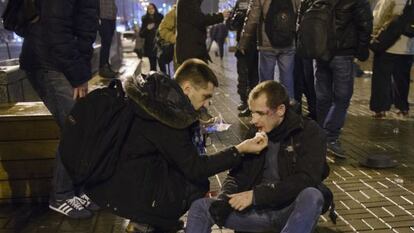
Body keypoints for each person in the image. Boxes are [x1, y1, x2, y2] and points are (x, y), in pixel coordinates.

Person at [86, 59, 269, 232]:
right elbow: (195, 167)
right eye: (206, 96)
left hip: (118, 175)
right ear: (187, 88)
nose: (208, 103)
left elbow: (167, 145)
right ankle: (146, 222)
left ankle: (149, 219)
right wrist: (239, 149)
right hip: (123, 188)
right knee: (195, 185)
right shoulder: (169, 116)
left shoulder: (157, 97)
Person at [186, 80, 328, 233]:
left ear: (280, 110)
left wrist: (256, 196)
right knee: (201, 207)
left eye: (260, 113)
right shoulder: (256, 132)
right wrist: (224, 200)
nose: (253, 120)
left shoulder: (308, 132)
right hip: (256, 212)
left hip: (288, 211)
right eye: (252, 112)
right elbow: (237, 175)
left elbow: (306, 179)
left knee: (312, 195)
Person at [19, 0, 99, 218]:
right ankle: (61, 195)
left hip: (58, 60)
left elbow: (83, 26)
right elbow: (56, 29)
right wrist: (78, 75)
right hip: (48, 62)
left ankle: (76, 190)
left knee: (80, 125)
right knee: (75, 126)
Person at [310, 0, 372, 158]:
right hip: (342, 52)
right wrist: (362, 51)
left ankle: (321, 137)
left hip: (321, 51)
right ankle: (330, 137)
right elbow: (365, 24)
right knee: (342, 98)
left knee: (323, 97)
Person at [238, 0, 301, 100]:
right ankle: (288, 108)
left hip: (267, 43)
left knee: (266, 81)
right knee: (287, 78)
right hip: (288, 41)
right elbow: (300, 12)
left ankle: (266, 106)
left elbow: (252, 18)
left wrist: (243, 42)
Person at [369, 0, 414, 118]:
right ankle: (402, 107)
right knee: (402, 79)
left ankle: (380, 109)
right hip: (408, 48)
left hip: (387, 45)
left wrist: (374, 34)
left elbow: (378, 17)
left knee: (381, 78)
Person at [227, 0, 259, 117]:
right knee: (243, 74)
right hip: (243, 42)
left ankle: (253, 104)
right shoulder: (240, 3)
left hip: (256, 43)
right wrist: (236, 19)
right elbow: (230, 24)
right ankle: (245, 101)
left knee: (254, 76)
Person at [175, 0, 230, 65]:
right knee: (199, 73)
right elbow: (200, 19)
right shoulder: (188, 2)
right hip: (191, 52)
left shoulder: (191, 3)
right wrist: (221, 16)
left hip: (192, 50)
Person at [98, 0, 119, 79]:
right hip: (103, 18)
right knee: (106, 42)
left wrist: (115, 11)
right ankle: (103, 67)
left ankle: (106, 64)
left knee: (108, 43)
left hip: (112, 18)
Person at [140, 3, 164, 71]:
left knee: (162, 65)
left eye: (152, 8)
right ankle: (154, 80)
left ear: (155, 8)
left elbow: (164, 30)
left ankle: (164, 80)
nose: (151, 10)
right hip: (150, 47)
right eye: (149, 9)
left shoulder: (160, 17)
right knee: (153, 67)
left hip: (160, 45)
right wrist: (147, 28)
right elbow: (141, 34)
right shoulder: (145, 19)